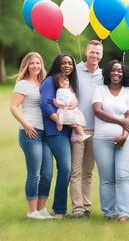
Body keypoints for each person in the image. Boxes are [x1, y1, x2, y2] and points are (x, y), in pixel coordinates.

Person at [10, 52, 53, 219]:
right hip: (30, 131)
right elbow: (13, 107)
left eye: (38, 63)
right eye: (32, 63)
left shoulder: (45, 83)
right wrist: (26, 125)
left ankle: (42, 209)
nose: (35, 66)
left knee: (48, 172)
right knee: (34, 173)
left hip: (46, 132)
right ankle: (32, 211)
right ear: (26, 65)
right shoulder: (23, 84)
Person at [92, 60, 129, 222]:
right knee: (107, 178)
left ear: (124, 74)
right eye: (113, 70)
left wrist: (124, 136)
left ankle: (124, 214)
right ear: (108, 72)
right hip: (102, 140)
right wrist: (120, 122)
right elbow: (98, 111)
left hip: (127, 140)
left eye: (120, 71)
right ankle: (110, 213)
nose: (116, 73)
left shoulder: (128, 93)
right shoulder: (100, 90)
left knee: (123, 176)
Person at [69, 40, 103, 218]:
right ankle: (77, 209)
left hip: (97, 131)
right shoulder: (75, 71)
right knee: (75, 171)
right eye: (92, 52)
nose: (94, 56)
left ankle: (87, 207)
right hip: (77, 129)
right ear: (86, 51)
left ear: (101, 55)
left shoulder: (104, 75)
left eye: (98, 53)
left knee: (88, 172)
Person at [40, 54, 77, 219]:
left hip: (67, 131)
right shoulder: (50, 81)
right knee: (65, 169)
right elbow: (45, 104)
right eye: (64, 63)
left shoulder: (69, 83)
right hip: (56, 131)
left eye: (70, 63)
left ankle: (56, 209)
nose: (67, 66)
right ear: (57, 64)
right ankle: (59, 210)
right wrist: (59, 120)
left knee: (63, 170)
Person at [53, 73, 91, 142]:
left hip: (71, 110)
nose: (65, 82)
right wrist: (61, 104)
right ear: (58, 84)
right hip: (65, 109)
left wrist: (74, 102)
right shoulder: (60, 90)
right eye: (62, 82)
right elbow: (59, 99)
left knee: (76, 123)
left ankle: (81, 135)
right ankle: (60, 130)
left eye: (66, 80)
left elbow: (74, 97)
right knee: (61, 122)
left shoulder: (69, 90)